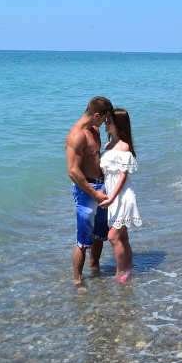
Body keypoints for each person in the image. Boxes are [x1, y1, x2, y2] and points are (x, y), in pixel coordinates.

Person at [66, 96, 114, 286]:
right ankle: (77, 281)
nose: (105, 123)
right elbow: (73, 171)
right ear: (96, 115)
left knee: (100, 234)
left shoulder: (94, 130)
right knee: (83, 240)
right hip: (86, 191)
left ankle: (95, 268)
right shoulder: (77, 135)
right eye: (104, 119)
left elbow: (97, 158)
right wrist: (94, 193)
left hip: (101, 186)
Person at [99, 108, 142, 283]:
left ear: (119, 125)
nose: (106, 124)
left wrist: (111, 198)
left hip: (123, 197)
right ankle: (128, 269)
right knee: (122, 236)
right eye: (106, 121)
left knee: (113, 236)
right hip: (113, 196)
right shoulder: (108, 145)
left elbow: (123, 177)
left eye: (109, 121)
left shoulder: (124, 147)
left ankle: (120, 273)